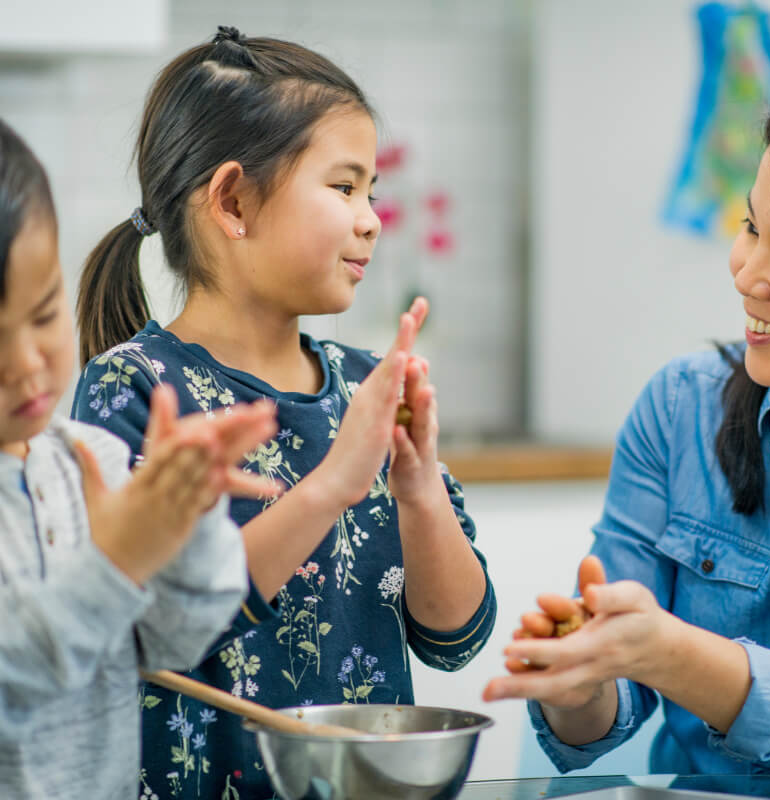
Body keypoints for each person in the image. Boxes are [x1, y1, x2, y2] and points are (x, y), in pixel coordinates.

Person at [71, 26, 496, 799]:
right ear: (233, 200)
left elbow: (456, 636)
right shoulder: (131, 390)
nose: (371, 218)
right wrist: (335, 480)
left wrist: (419, 488)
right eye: (344, 188)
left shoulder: (365, 389)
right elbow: (155, 624)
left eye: (373, 192)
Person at [483, 100, 770, 777]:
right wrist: (581, 687)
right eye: (750, 227)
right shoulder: (680, 407)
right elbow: (609, 705)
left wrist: (674, 654)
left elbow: (659, 651)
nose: (745, 274)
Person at [0, 117, 281, 799]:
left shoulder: (86, 459)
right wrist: (116, 564)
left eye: (41, 316)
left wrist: (195, 520)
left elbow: (169, 640)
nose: (26, 363)